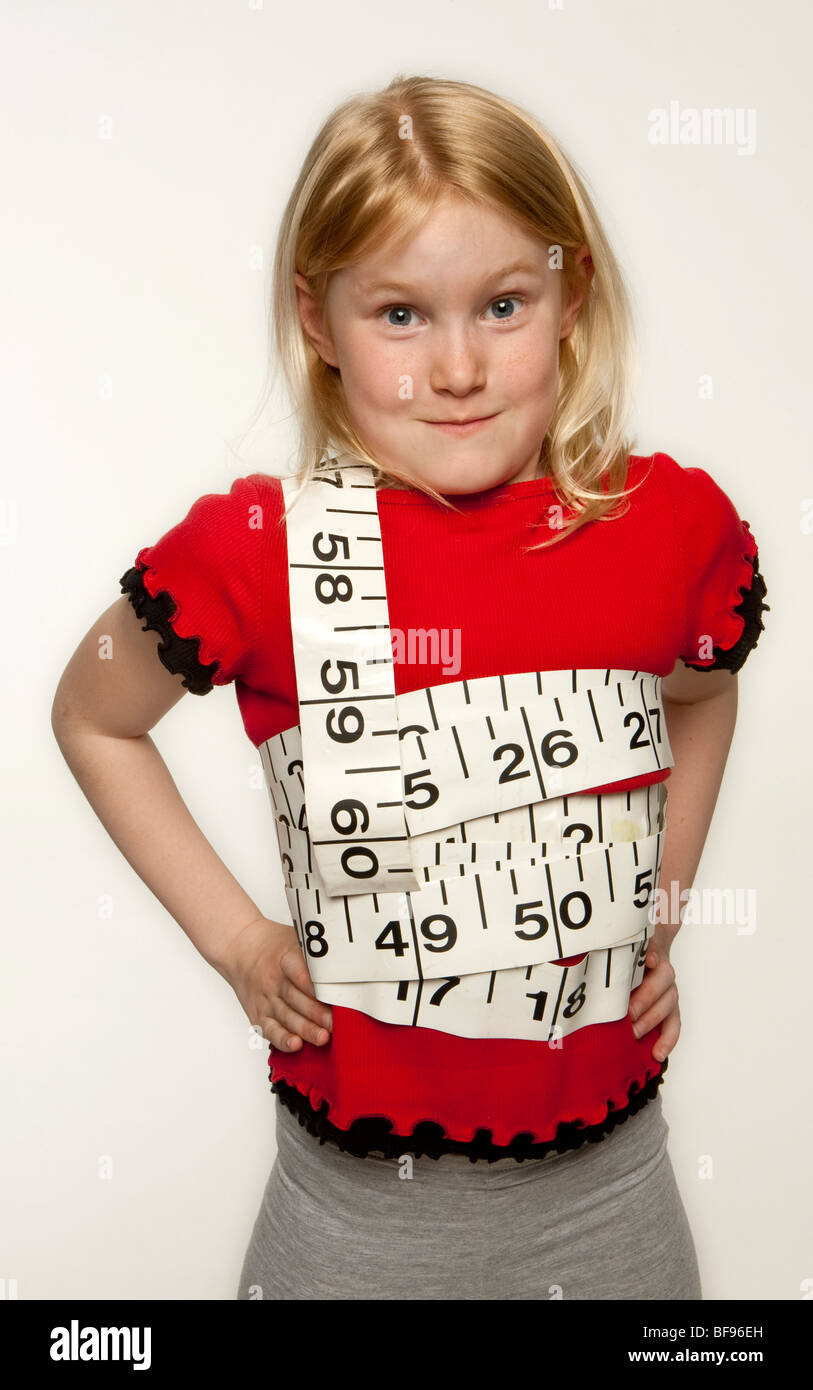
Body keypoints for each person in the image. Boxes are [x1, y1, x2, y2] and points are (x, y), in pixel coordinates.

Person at [51, 74, 769, 1301]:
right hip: (351, 1231)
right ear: (318, 321)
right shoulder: (255, 554)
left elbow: (701, 692)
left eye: (503, 304)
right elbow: (95, 714)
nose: (456, 366)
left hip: (614, 1212)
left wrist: (664, 893)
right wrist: (236, 941)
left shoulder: (668, 528)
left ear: (571, 295)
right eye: (398, 313)